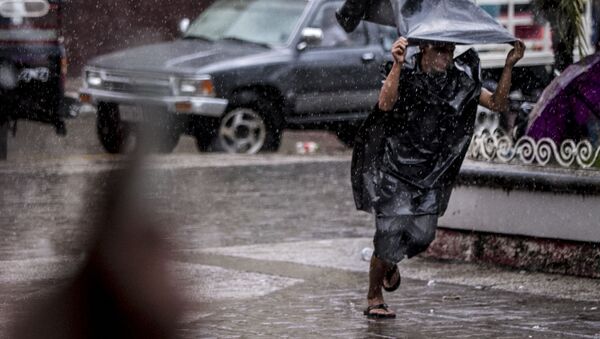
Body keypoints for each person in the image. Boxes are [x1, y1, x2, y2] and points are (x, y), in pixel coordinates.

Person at [354, 37, 525, 318]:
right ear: (424, 48)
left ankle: (390, 260)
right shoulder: (405, 74)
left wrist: (508, 66)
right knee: (387, 235)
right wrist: (397, 64)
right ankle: (374, 296)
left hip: (430, 174)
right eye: (441, 49)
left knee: (423, 236)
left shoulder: (459, 82)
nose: (447, 55)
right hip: (395, 169)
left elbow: (496, 103)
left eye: (451, 50)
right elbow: (385, 104)